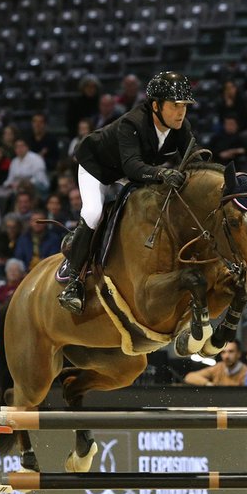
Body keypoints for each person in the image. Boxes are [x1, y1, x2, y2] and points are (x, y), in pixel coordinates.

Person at [57, 71, 197, 313]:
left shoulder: (180, 127)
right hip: (98, 166)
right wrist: (162, 173)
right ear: (156, 106)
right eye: (175, 105)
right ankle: (74, 281)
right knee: (93, 213)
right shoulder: (133, 123)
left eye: (184, 105)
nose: (181, 112)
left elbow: (194, 158)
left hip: (129, 169)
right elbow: (132, 167)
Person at [183, 340, 247, 386]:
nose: (226, 356)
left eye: (231, 352)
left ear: (239, 354)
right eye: (223, 352)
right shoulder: (218, 368)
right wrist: (208, 384)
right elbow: (189, 377)